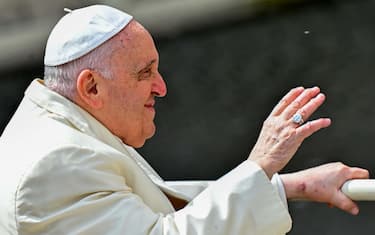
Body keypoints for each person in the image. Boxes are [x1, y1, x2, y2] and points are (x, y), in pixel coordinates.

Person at [0, 4, 369, 235]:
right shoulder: (56, 163)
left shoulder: (52, 131)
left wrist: (290, 185)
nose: (161, 88)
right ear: (92, 87)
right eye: (145, 73)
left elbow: (147, 206)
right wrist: (261, 163)